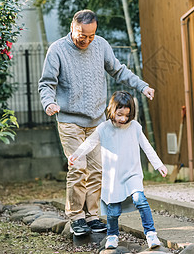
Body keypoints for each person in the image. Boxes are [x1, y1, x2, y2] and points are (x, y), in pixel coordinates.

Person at [38, 10, 155, 236]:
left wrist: (142, 86)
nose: (87, 40)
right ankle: (76, 217)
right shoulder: (57, 50)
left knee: (98, 170)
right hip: (70, 120)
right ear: (73, 27)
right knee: (78, 168)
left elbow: (118, 70)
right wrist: (49, 103)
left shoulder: (100, 45)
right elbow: (46, 84)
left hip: (97, 121)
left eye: (91, 36)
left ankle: (92, 216)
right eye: (83, 35)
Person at [68, 91, 168, 249]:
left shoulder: (134, 127)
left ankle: (151, 234)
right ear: (112, 110)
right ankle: (112, 235)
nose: (123, 119)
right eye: (119, 114)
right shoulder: (104, 128)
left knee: (140, 200)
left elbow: (146, 147)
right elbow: (89, 143)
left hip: (132, 173)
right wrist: (76, 155)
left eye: (127, 115)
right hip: (113, 177)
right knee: (113, 211)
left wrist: (159, 165)